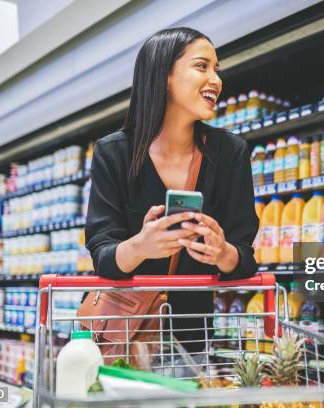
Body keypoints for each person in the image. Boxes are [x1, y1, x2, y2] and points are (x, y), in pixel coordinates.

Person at [85, 27, 258, 353]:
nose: (216, 80)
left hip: (193, 341)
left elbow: (245, 258)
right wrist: (141, 245)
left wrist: (222, 253)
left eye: (216, 69)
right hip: (123, 336)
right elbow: (103, 256)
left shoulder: (230, 152)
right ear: (164, 75)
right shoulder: (114, 153)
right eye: (201, 66)